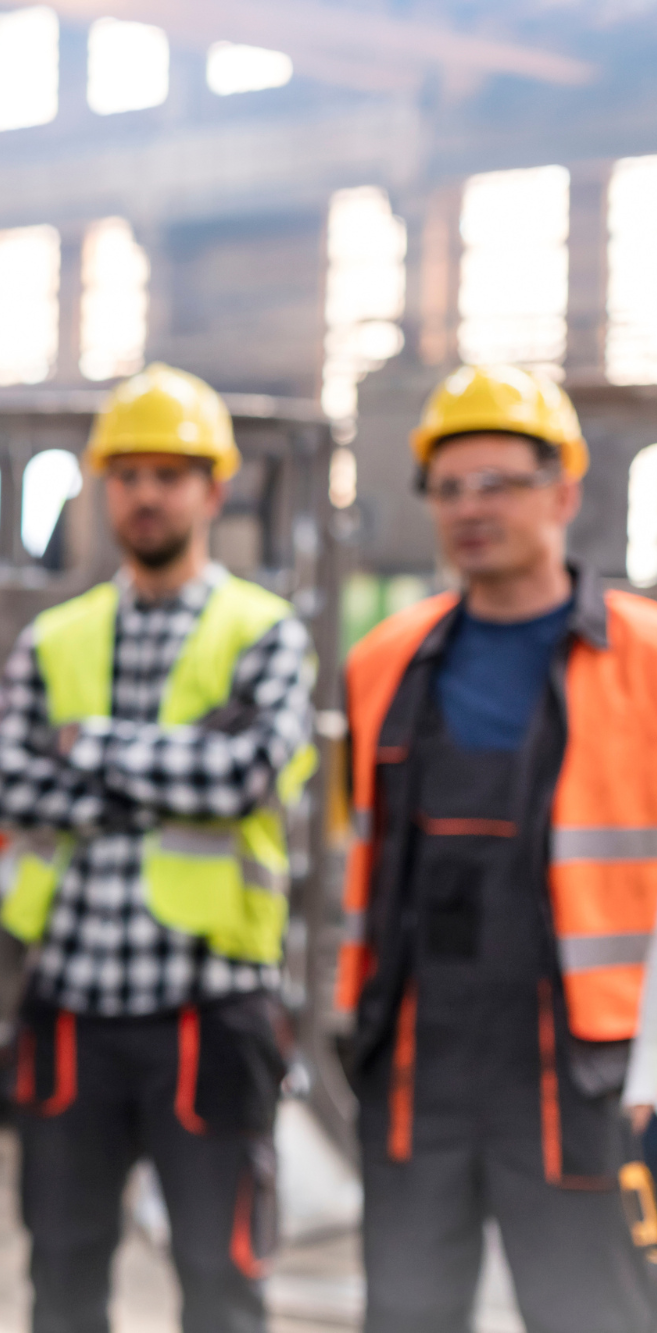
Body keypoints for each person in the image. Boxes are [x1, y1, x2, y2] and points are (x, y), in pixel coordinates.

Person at [0, 364, 316, 1333]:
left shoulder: (263, 633)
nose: (145, 493)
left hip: (207, 1014)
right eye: (125, 473)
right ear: (101, 488)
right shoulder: (54, 638)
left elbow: (240, 777)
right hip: (70, 1006)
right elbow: (4, 782)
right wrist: (168, 765)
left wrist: (86, 747)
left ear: (213, 490)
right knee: (62, 1273)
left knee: (220, 1280)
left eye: (170, 472)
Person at [339, 365, 657, 1333]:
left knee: (590, 1313)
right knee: (405, 1309)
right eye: (447, 488)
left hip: (579, 1068)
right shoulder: (381, 660)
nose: (469, 508)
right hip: (414, 1051)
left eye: (498, 483)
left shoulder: (645, 660)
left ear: (564, 492)